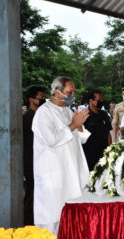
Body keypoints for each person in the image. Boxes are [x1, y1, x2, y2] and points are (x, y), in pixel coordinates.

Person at [32, 76, 91, 235]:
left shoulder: (68, 110)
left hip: (70, 172)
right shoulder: (44, 113)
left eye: (74, 92)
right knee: (52, 220)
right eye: (69, 92)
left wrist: (78, 126)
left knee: (69, 220)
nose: (73, 95)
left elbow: (82, 138)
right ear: (57, 92)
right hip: (53, 177)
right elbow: (51, 139)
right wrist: (73, 124)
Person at [23, 86, 46, 225]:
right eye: (40, 98)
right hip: (31, 161)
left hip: (42, 161)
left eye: (44, 97)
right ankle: (28, 225)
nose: (43, 100)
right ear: (32, 100)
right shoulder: (27, 117)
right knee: (31, 194)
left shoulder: (41, 116)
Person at [82, 90, 112, 171]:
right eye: (99, 100)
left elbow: (108, 133)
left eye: (102, 100)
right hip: (90, 156)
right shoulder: (84, 115)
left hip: (104, 154)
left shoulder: (104, 114)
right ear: (91, 101)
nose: (101, 102)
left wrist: (110, 149)